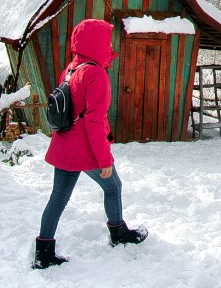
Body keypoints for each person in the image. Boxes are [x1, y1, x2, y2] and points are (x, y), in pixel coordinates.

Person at [32, 18, 148, 269]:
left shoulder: (72, 68)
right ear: (97, 42)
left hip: (64, 144)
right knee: (113, 187)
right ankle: (118, 233)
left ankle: (43, 252)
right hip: (84, 148)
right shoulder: (95, 74)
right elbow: (95, 122)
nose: (110, 45)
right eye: (107, 40)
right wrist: (104, 160)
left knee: (58, 198)